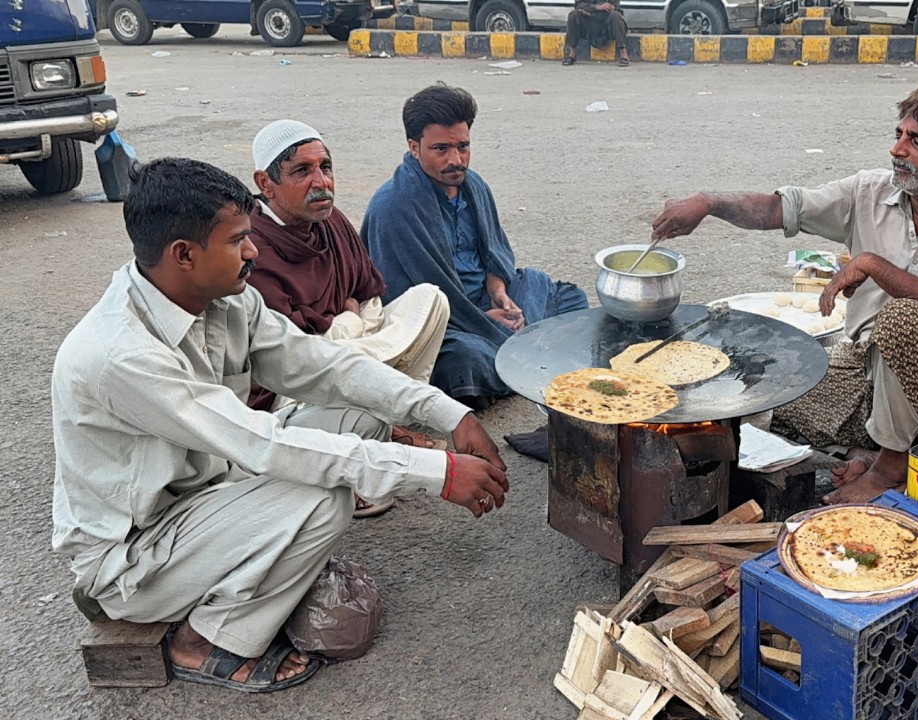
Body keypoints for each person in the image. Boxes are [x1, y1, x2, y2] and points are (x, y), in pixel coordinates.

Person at [51, 158, 509, 693]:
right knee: (325, 498)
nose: (254, 251)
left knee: (363, 414)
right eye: (239, 240)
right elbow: (262, 443)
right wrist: (437, 473)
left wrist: (447, 413)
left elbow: (322, 365)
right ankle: (204, 640)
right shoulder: (120, 356)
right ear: (183, 255)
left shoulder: (226, 298)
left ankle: (257, 554)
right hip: (137, 556)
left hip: (212, 491)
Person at [651, 82, 918, 505]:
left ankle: (889, 468)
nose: (898, 150)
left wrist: (872, 265)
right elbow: (781, 208)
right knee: (776, 390)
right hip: (868, 363)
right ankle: (868, 448)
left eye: (917, 141)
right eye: (898, 135)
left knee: (905, 317)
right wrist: (708, 202)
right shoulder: (870, 190)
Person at [247, 119, 454, 517]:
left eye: (325, 167)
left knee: (431, 302)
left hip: (353, 340)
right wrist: (344, 325)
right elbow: (286, 352)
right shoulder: (252, 245)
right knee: (343, 356)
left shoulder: (330, 219)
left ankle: (390, 418)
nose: (322, 182)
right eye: (302, 171)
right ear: (266, 182)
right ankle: (369, 445)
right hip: (293, 384)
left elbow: (366, 289)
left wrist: (351, 320)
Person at [362, 84, 589, 409]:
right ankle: (530, 355)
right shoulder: (395, 206)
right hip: (445, 322)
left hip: (484, 301)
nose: (456, 160)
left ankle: (517, 358)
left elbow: (493, 255)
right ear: (414, 147)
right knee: (462, 363)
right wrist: (484, 319)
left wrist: (500, 294)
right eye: (440, 149)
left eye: (463, 146)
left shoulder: (473, 185)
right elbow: (405, 305)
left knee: (566, 296)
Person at [562, 0, 631, 67]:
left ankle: (624, 54)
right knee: (573, 15)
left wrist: (608, 8)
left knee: (615, 16)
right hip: (589, 22)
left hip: (605, 23)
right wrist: (597, 7)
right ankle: (572, 54)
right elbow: (579, 5)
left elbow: (615, 7)